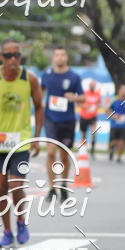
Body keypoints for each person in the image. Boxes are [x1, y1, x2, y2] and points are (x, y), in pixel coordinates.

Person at [0, 38, 43, 247]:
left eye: (17, 55)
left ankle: (21, 222)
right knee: (1, 187)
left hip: (21, 141)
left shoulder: (30, 79)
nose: (13, 60)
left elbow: (40, 107)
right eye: (8, 56)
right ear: (0, 57)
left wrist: (37, 136)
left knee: (16, 184)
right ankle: (7, 232)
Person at [40, 46, 84, 204]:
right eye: (56, 54)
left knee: (64, 155)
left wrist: (75, 98)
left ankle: (63, 186)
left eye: (62, 54)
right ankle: (52, 189)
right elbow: (40, 94)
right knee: (51, 152)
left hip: (68, 120)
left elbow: (83, 98)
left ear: (66, 58)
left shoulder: (74, 77)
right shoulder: (46, 75)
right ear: (53, 57)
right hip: (50, 119)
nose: (59, 57)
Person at [78, 79, 101, 157]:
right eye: (91, 85)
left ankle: (92, 151)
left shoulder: (97, 94)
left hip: (93, 116)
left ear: (95, 86)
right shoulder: (85, 93)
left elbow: (99, 103)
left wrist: (95, 107)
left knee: (94, 132)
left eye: (93, 85)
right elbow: (79, 103)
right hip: (84, 116)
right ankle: (83, 150)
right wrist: (84, 106)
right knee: (83, 134)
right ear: (89, 85)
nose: (92, 86)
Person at [108, 84, 125, 163]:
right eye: (123, 89)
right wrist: (114, 115)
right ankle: (111, 150)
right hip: (114, 125)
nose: (124, 91)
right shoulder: (114, 100)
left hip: (124, 125)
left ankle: (118, 157)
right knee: (113, 142)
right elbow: (107, 110)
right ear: (119, 91)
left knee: (122, 142)